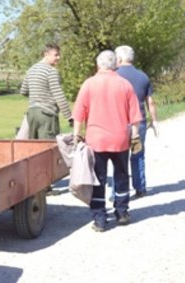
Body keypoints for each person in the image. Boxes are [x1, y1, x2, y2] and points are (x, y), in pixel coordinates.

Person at [72, 50, 142, 232]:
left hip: (96, 140)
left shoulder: (89, 84)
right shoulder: (124, 84)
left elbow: (79, 113)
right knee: (121, 176)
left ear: (98, 65)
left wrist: (76, 134)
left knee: (98, 179)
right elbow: (135, 115)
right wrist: (135, 135)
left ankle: (100, 219)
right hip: (120, 139)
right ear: (115, 65)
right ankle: (122, 212)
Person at [115, 45, 159, 198]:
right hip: (138, 122)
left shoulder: (114, 76)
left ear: (119, 58)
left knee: (119, 158)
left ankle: (119, 191)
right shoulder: (143, 76)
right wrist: (154, 121)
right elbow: (150, 102)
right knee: (138, 154)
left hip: (119, 123)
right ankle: (140, 187)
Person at [20, 43, 72, 139]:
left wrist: (37, 96)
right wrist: (69, 117)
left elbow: (23, 91)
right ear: (46, 54)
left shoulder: (31, 69)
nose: (58, 57)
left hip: (31, 114)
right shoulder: (51, 71)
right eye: (56, 55)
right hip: (47, 115)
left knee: (33, 148)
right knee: (48, 148)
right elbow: (58, 95)